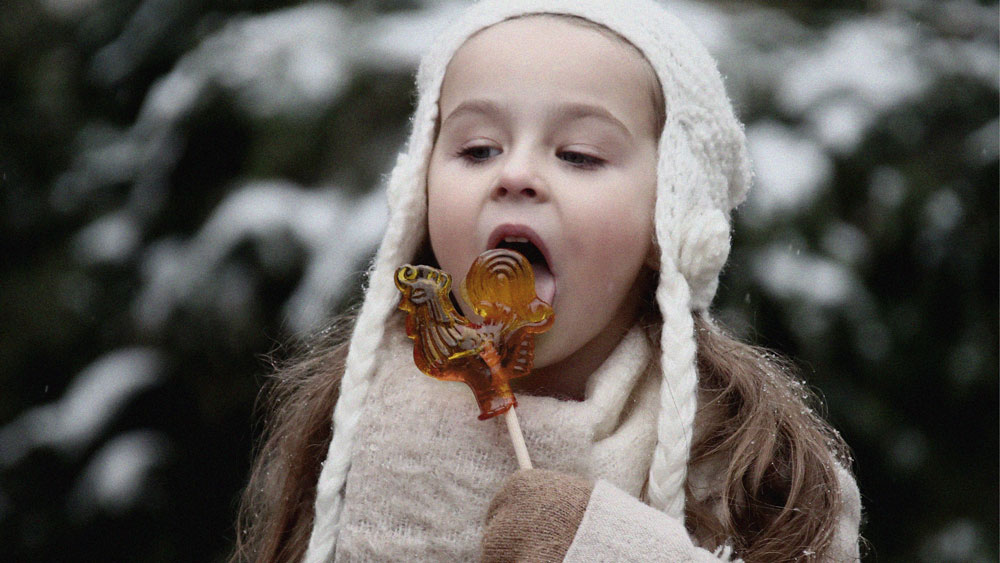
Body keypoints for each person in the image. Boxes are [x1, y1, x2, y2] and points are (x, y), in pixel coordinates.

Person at [232, 1, 862, 561]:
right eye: (478, 149)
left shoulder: (756, 467)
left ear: (665, 223)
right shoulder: (345, 431)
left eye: (579, 155)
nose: (516, 174)